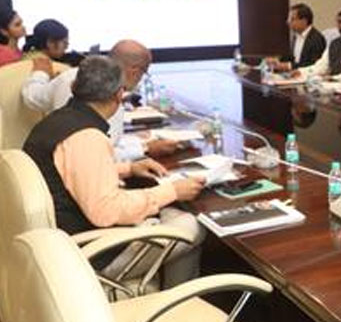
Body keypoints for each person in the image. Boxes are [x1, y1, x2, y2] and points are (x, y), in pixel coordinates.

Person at [22, 55, 207, 287]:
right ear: (119, 94)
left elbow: (73, 172)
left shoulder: (58, 121)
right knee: (191, 226)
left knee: (172, 213)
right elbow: (106, 211)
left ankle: (168, 292)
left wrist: (128, 169)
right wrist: (172, 191)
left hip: (56, 240)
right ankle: (178, 299)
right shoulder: (86, 136)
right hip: (89, 254)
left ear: (73, 86)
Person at [22, 39, 179, 160]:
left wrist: (40, 74)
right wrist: (145, 148)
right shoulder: (106, 97)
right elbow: (98, 156)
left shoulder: (69, 76)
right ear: (134, 70)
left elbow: (32, 97)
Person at [270, 3, 326, 71]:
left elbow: (313, 64)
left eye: (292, 19)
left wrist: (289, 66)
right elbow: (291, 58)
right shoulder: (295, 36)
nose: (288, 22)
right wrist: (277, 61)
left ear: (304, 21)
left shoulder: (317, 39)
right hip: (293, 74)